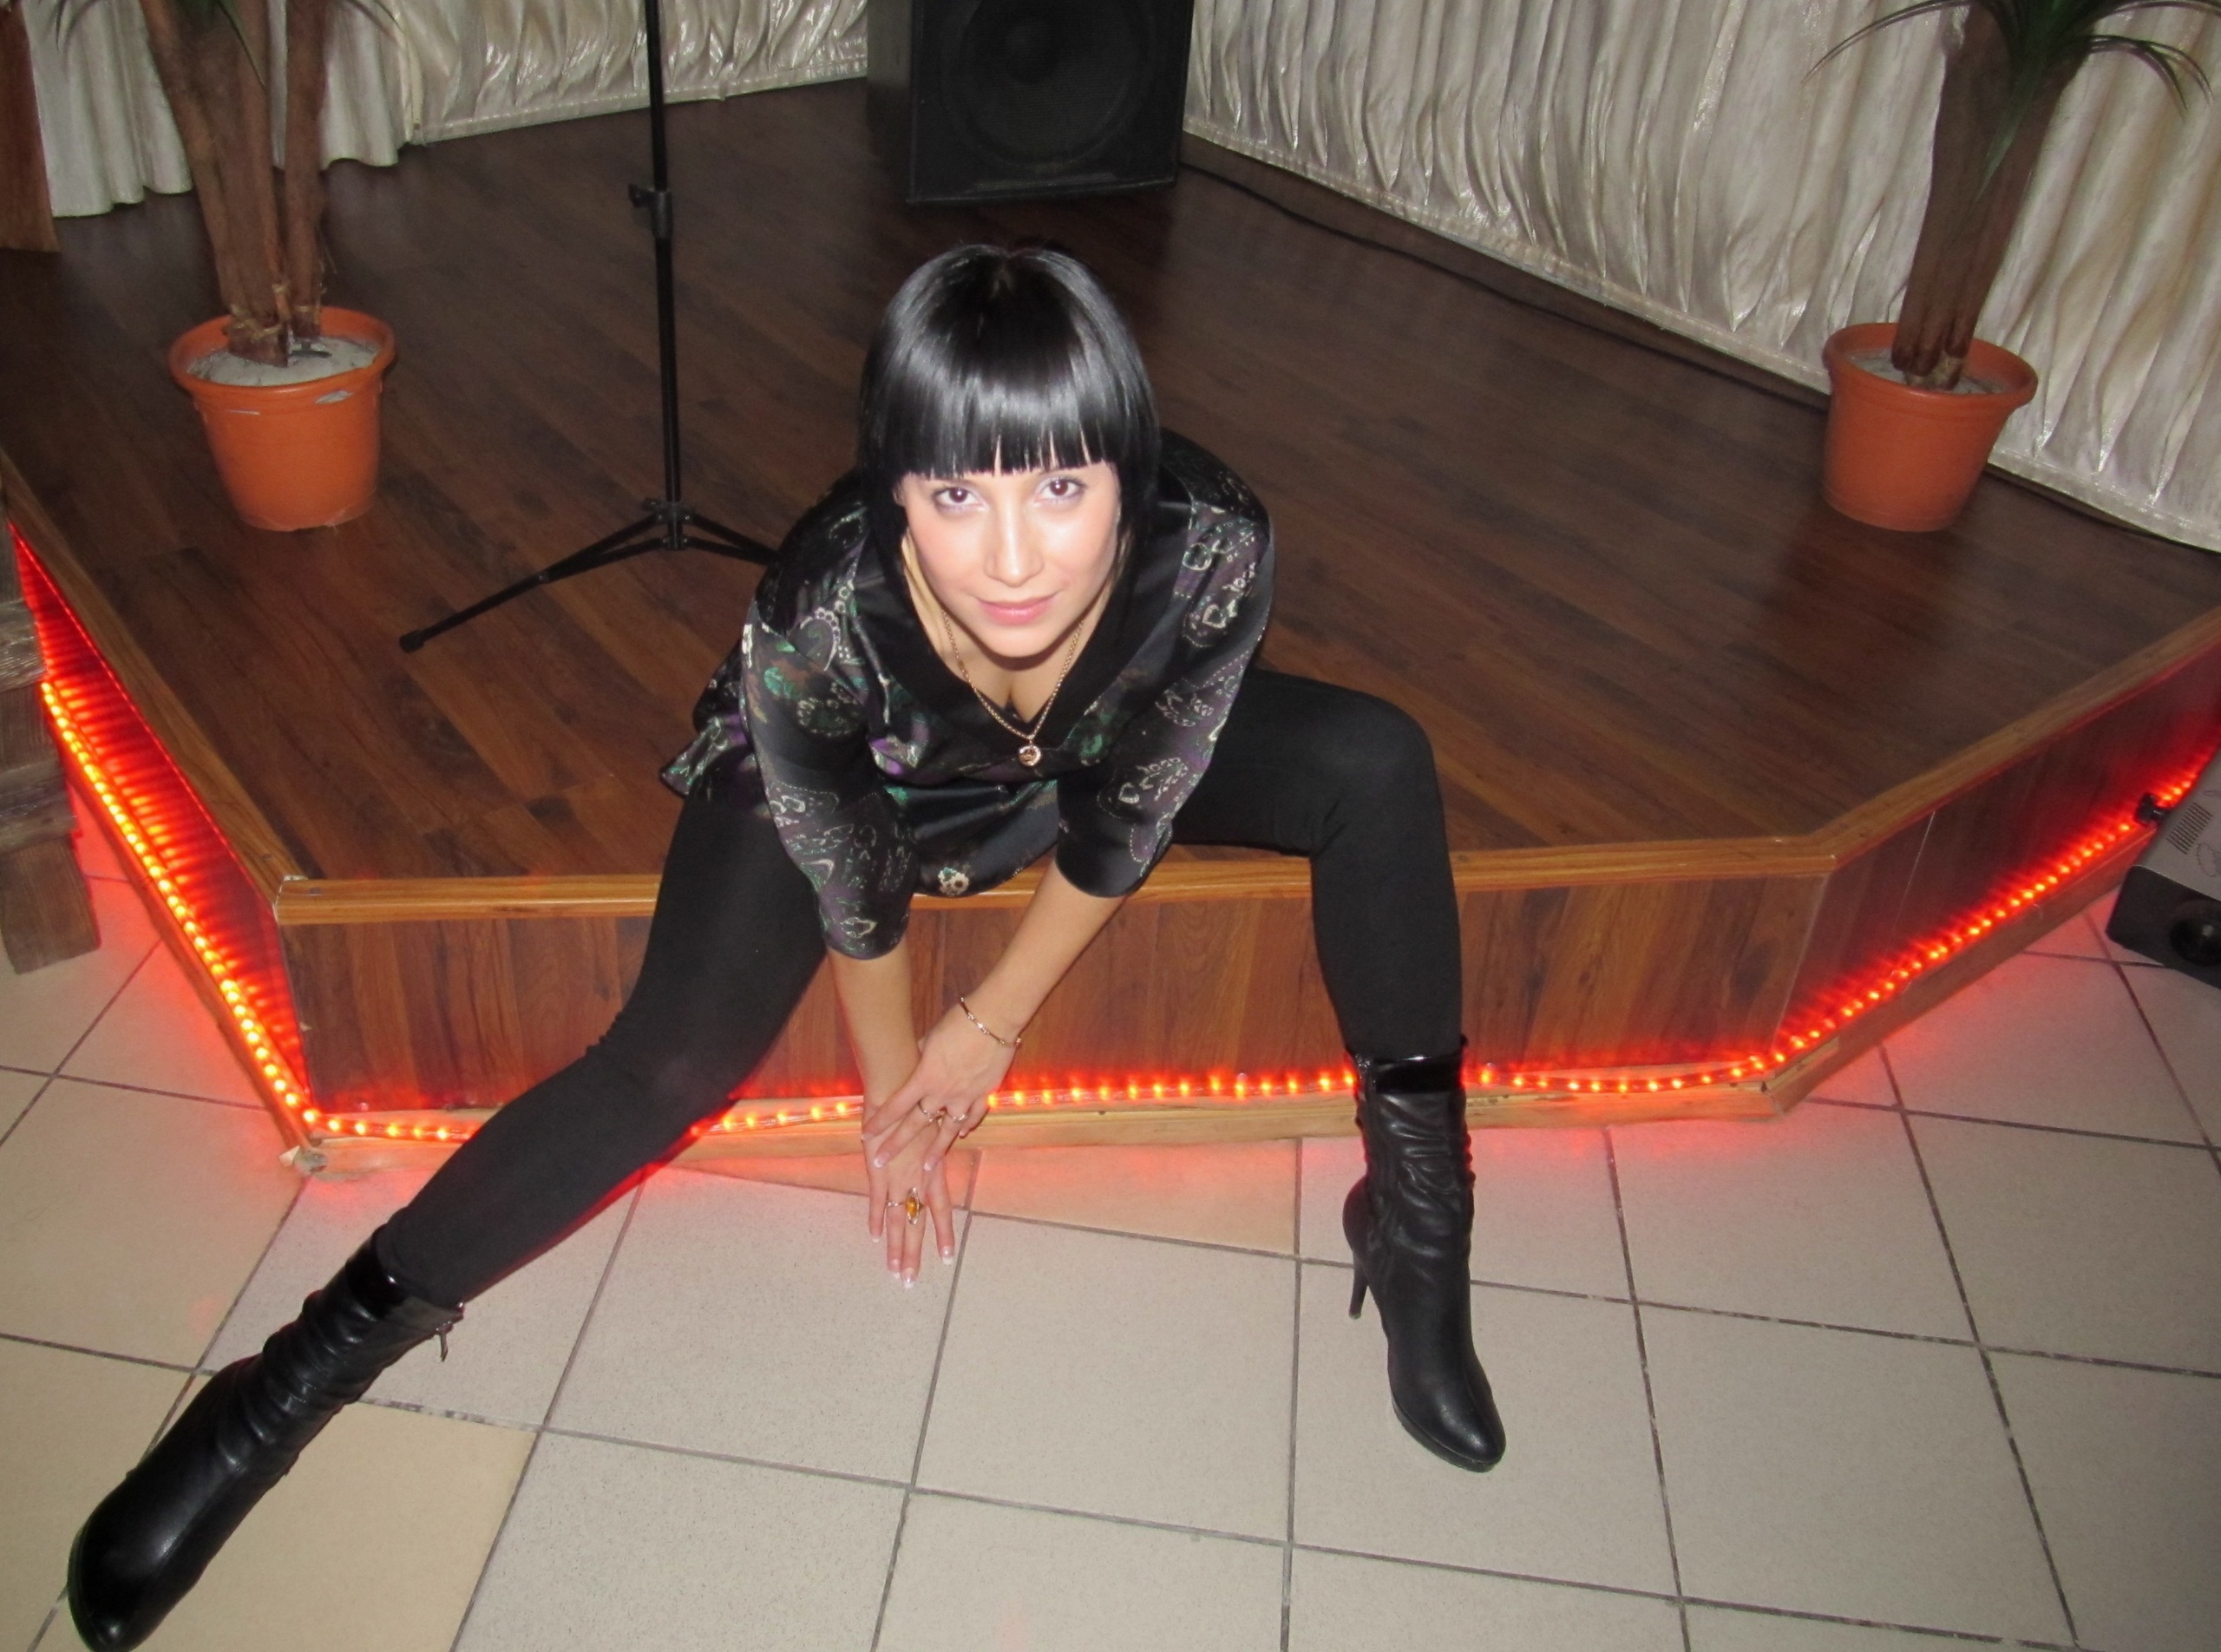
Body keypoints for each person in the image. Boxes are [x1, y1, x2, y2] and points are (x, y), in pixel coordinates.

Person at [66, 244, 1503, 1651]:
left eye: (1063, 487)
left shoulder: (1214, 546)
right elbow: (855, 884)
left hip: (1089, 754)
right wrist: (896, 1100)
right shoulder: (820, 617)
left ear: (1130, 470)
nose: (1015, 559)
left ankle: (1416, 1225)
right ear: (895, 491)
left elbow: (1133, 809)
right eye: (957, 495)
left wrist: (987, 1024)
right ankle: (275, 1394)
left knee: (1375, 760)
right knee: (668, 1062)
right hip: (863, 777)